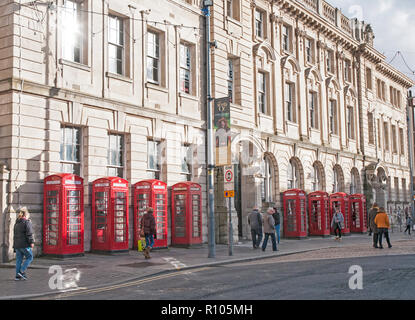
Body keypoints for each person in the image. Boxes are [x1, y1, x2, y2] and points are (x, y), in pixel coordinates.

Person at [13, 207, 34, 281]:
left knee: (19, 260)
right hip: (24, 245)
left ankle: (17, 276)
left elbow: (15, 235)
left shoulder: (16, 223)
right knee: (30, 257)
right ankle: (21, 271)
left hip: (17, 245)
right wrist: (31, 242)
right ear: (26, 215)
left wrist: (14, 246)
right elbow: (29, 233)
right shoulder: (27, 222)